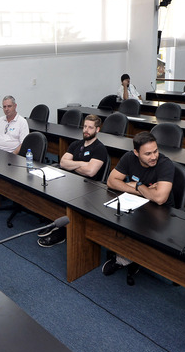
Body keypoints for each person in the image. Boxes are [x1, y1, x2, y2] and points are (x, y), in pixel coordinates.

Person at [102, 132, 175, 275]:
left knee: (135, 224)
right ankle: (129, 253)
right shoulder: (129, 157)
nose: (153, 156)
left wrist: (138, 185)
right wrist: (143, 190)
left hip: (162, 211)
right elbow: (111, 181)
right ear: (136, 153)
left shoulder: (165, 164)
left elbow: (160, 198)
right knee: (111, 215)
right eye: (148, 154)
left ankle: (125, 259)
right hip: (138, 202)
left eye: (155, 151)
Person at [38, 114, 108, 247]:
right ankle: (54, 222)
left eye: (90, 128)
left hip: (89, 188)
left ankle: (62, 232)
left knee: (67, 196)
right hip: (71, 181)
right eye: (85, 126)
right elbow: (63, 163)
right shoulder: (76, 144)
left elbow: (90, 172)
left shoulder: (100, 148)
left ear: (97, 130)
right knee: (49, 187)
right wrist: (82, 164)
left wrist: (73, 164)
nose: (86, 130)